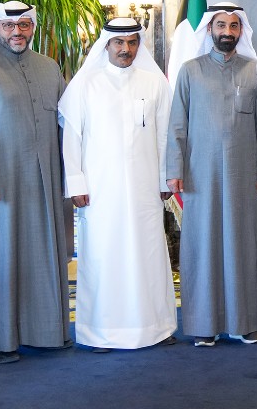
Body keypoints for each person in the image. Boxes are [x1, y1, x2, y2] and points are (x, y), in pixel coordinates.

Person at [0, 1, 71, 363]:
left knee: (44, 255)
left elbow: (67, 128)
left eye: (24, 25)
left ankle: (45, 333)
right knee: (0, 257)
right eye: (9, 26)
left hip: (45, 182)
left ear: (33, 28)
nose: (17, 32)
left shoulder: (50, 68)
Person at [59, 18, 177, 352]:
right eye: (119, 43)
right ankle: (101, 332)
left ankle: (155, 328)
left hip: (145, 188)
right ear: (107, 45)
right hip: (100, 189)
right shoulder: (86, 84)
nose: (126, 49)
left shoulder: (154, 84)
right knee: (103, 256)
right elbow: (72, 138)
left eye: (132, 43)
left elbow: (165, 135)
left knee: (148, 255)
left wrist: (164, 178)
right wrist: (76, 183)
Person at [167, 3, 257, 347]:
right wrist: (174, 169)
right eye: (221, 25)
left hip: (246, 176)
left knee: (245, 245)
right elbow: (177, 124)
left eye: (234, 26)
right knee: (204, 246)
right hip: (202, 175)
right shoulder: (190, 71)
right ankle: (204, 325)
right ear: (210, 30)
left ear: (241, 31)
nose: (228, 32)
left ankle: (247, 322)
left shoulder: (255, 72)